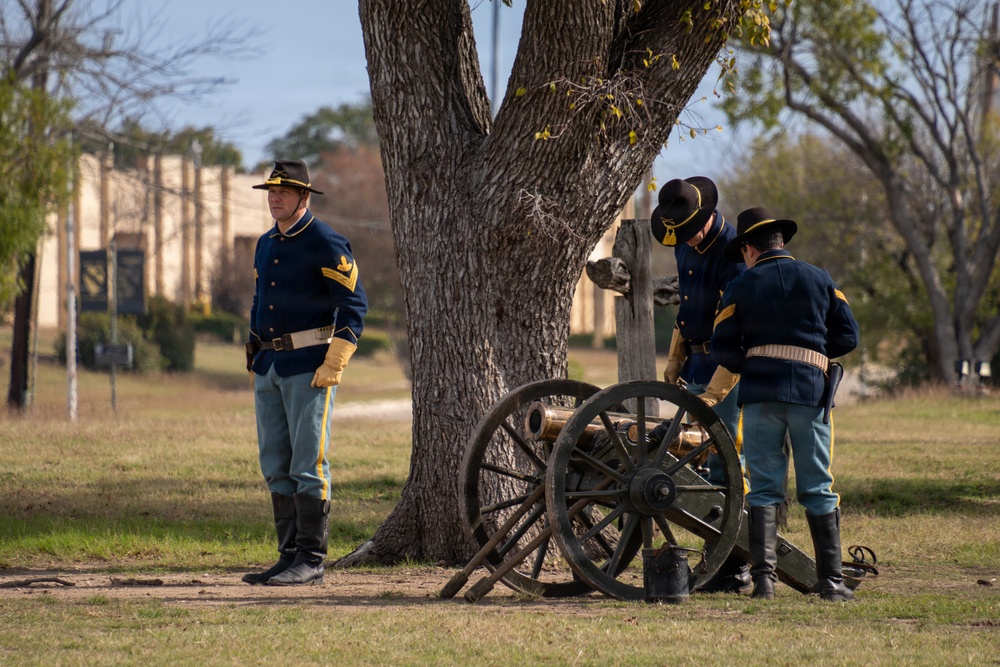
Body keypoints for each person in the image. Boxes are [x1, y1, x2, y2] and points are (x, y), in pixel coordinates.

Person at [710, 207, 860, 602]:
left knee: (762, 488)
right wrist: (810, 354)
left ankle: (764, 582)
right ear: (780, 242)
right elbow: (848, 335)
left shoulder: (740, 287)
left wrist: (757, 362)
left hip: (760, 396)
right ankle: (830, 583)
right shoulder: (820, 278)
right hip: (810, 395)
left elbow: (723, 346)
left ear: (747, 249)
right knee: (818, 485)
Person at [242, 159, 368, 586]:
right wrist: (254, 347)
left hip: (309, 368)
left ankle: (312, 559)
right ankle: (288, 556)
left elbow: (354, 307)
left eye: (284, 192)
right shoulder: (265, 243)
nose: (275, 198)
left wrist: (335, 361)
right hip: (269, 365)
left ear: (304, 196)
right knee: (275, 463)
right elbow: (262, 298)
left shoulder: (325, 241)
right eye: (271, 192)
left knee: (308, 464)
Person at [649, 176, 748, 593]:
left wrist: (717, 388)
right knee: (703, 460)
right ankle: (720, 555)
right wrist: (676, 355)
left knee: (727, 460)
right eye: (679, 236)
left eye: (690, 233)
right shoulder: (685, 243)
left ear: (706, 218)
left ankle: (737, 564)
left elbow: (740, 323)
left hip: (728, 366)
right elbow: (689, 306)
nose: (685, 242)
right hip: (698, 362)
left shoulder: (734, 253)